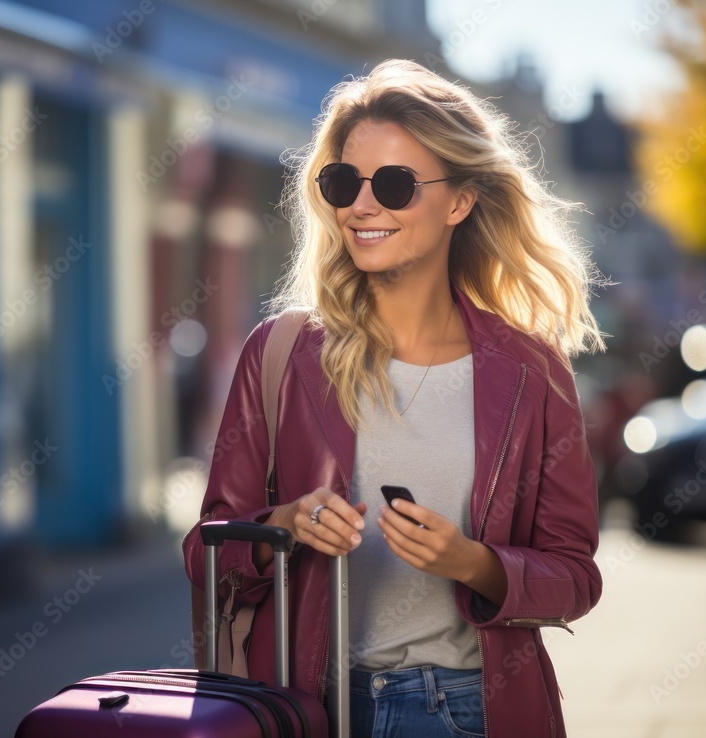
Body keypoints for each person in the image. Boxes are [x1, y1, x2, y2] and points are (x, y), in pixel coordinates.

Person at [182, 58, 605, 738]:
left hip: (469, 711)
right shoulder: (281, 353)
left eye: (396, 184)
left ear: (460, 201)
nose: (362, 206)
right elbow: (205, 552)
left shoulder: (533, 372)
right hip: (308, 709)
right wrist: (282, 528)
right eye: (344, 181)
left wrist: (473, 563)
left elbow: (575, 576)